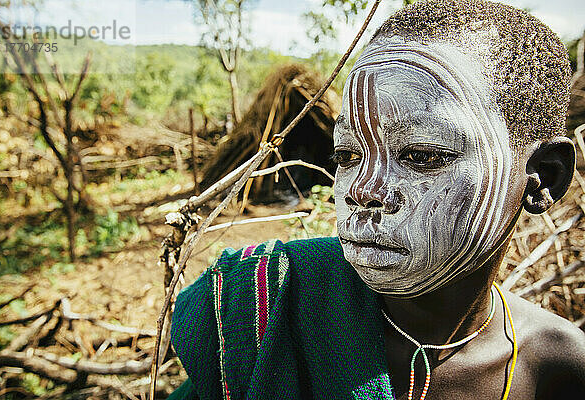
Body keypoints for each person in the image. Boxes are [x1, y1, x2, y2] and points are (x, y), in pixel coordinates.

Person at [169, 0, 585, 398]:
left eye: (422, 155)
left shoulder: (561, 369)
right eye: (347, 155)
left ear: (543, 178)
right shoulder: (266, 310)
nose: (361, 188)